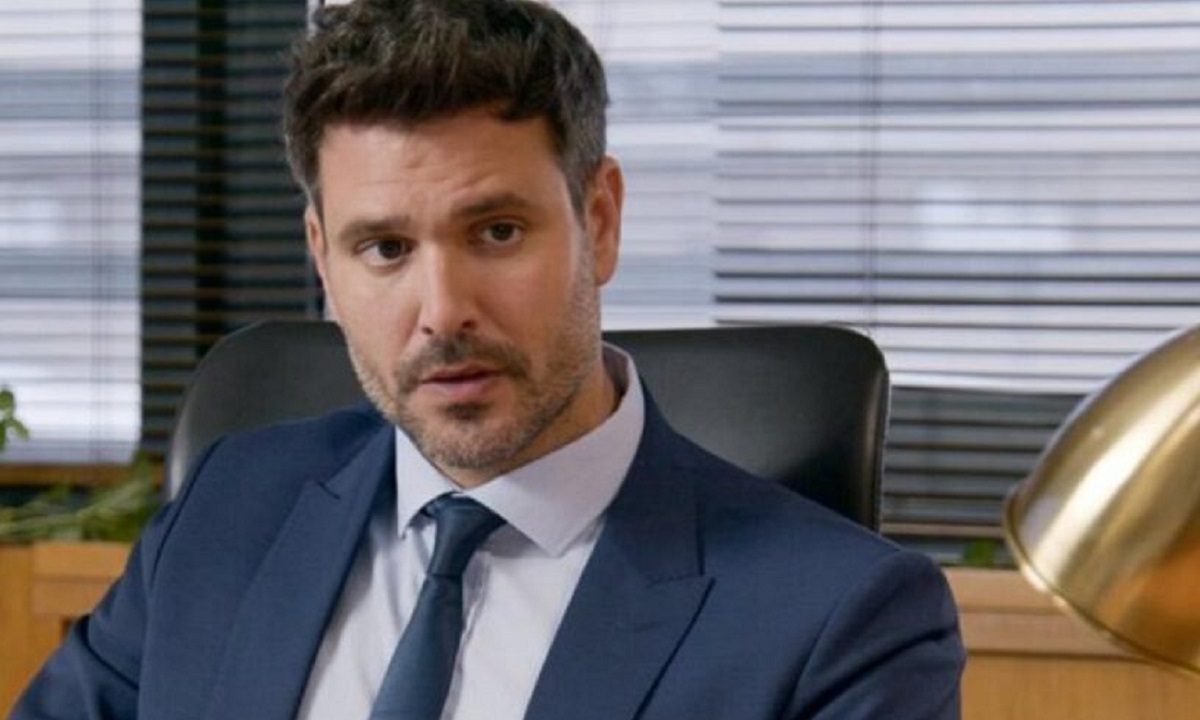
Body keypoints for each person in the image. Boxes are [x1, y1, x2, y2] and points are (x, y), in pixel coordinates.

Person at [11, 1, 964, 718]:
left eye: (497, 231)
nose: (443, 312)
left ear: (600, 220)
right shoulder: (231, 508)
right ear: (323, 261)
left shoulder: (842, 619)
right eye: (385, 248)